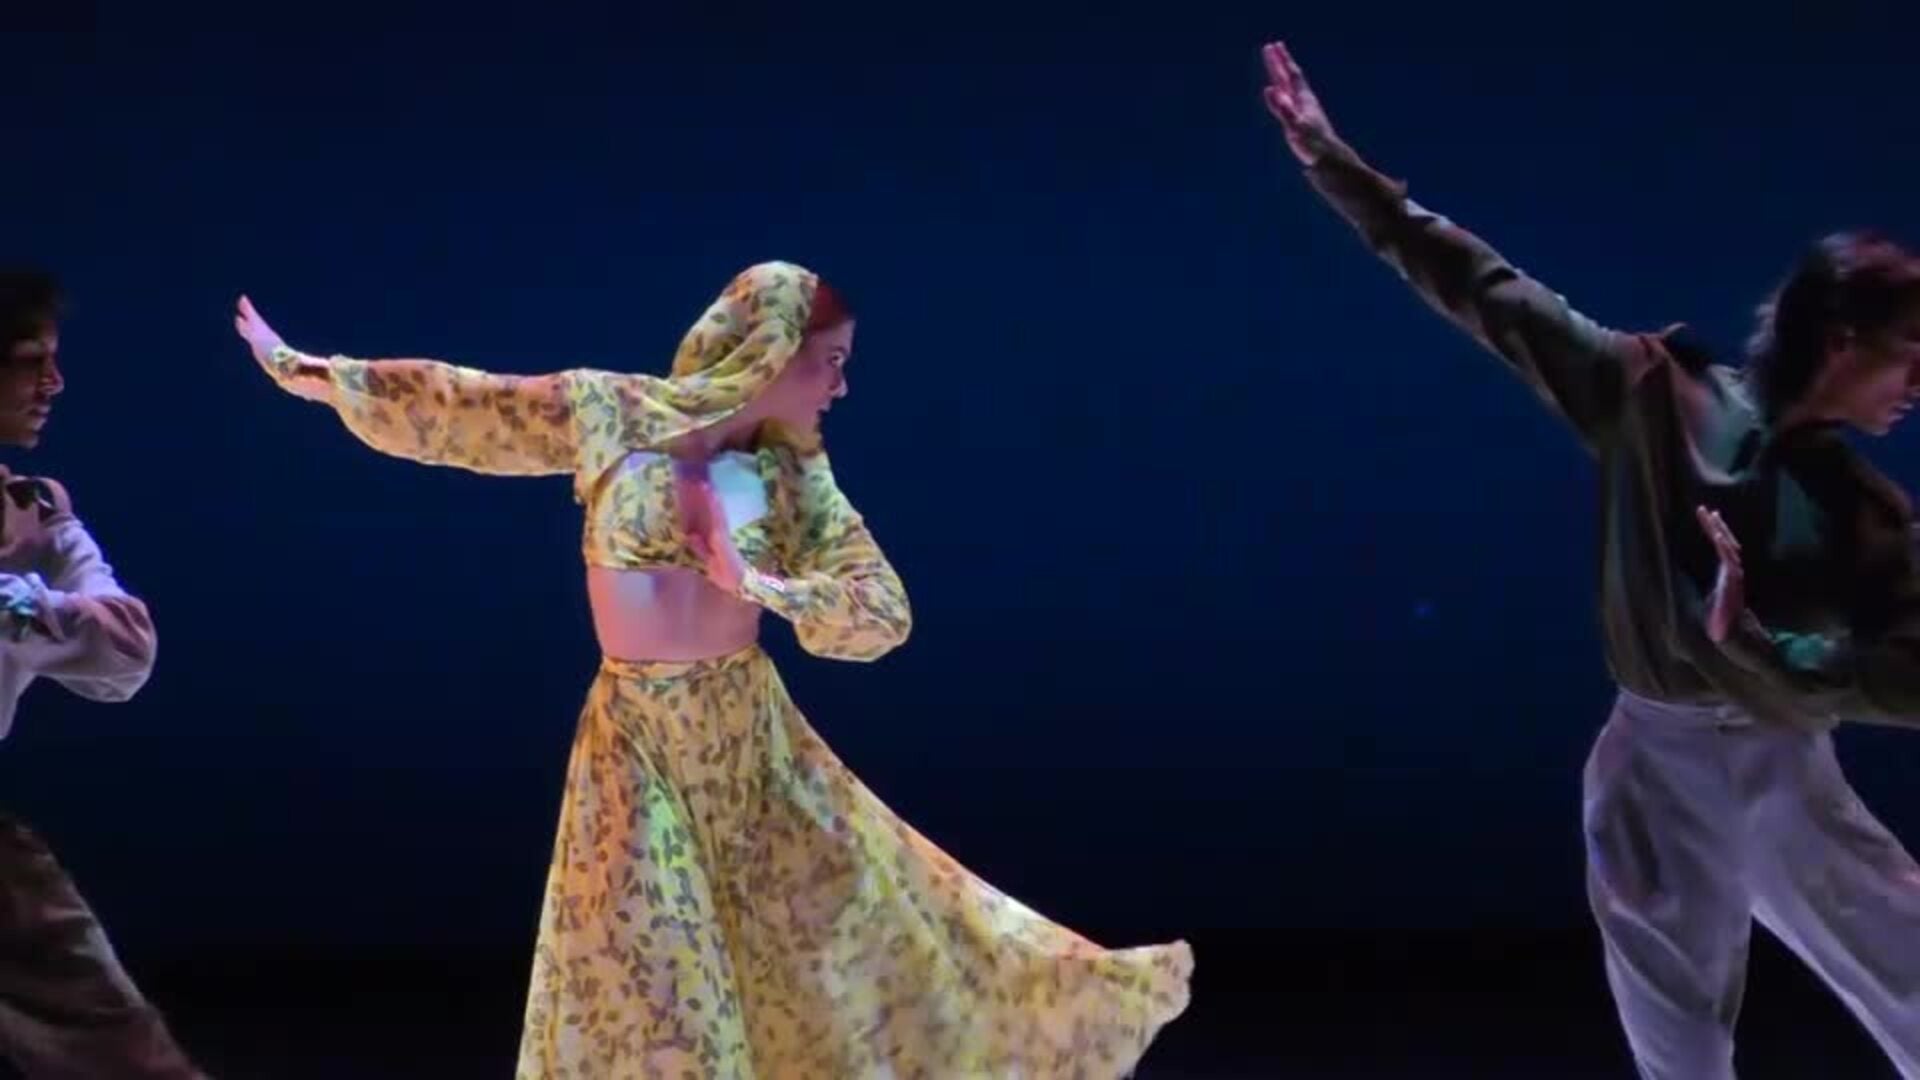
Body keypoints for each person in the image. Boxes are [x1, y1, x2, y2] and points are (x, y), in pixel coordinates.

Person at [232, 262, 1193, 1079]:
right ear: (772, 353)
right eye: (832, 362)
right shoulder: (615, 413)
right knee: (655, 979)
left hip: (748, 749)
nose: (839, 388)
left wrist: (759, 582)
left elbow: (883, 612)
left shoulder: (793, 476)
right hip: (635, 744)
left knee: (846, 950)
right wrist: (318, 373)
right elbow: (473, 405)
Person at [1262, 37, 1920, 1080]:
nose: (1916, 386)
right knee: (1679, 1044)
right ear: (1842, 339)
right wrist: (1337, 168)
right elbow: (1487, 292)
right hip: (1656, 765)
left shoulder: (1866, 515)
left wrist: (1770, 650)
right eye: (1910, 357)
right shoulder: (1650, 394)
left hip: (1786, 767)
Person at [0, 270, 204, 1078]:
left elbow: (127, 650)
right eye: (30, 361)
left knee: (120, 1049)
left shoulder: (35, 511)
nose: (53, 384)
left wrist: (20, 606)